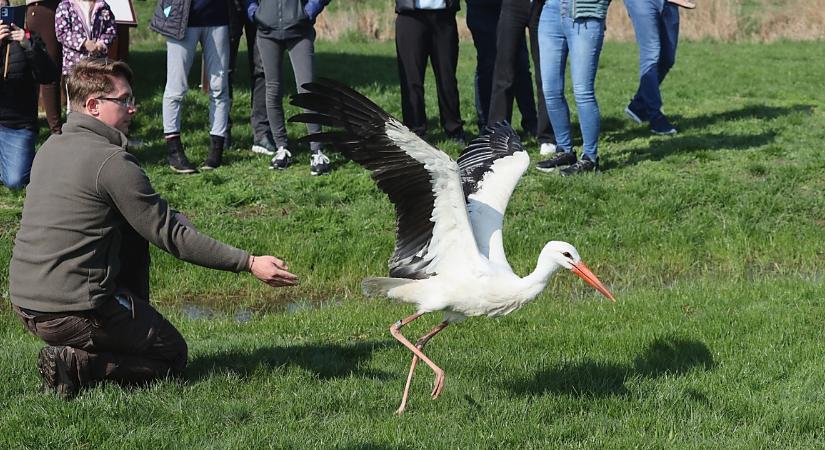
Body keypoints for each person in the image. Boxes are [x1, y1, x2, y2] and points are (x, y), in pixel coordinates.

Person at [8, 58, 299, 399]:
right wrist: (248, 262)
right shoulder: (111, 162)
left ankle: (96, 341)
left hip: (25, 304)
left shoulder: (50, 148)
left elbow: (148, 220)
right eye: (124, 100)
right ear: (93, 106)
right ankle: (79, 365)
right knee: (171, 354)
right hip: (73, 311)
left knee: (131, 238)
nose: (133, 109)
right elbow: (171, 235)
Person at [246, 0, 332, 175]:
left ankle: (316, 151)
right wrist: (254, 12)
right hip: (267, 31)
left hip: (299, 30)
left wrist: (309, 11)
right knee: (272, 89)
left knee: (307, 89)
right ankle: (281, 148)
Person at [150, 0, 231, 173]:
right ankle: (174, 150)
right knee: (176, 88)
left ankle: (217, 148)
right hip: (182, 19)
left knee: (219, 87)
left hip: (218, 19)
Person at [535, 0, 609, 175]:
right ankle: (565, 151)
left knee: (583, 91)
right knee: (550, 90)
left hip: (586, 14)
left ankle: (590, 158)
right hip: (551, 12)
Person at [487, 0, 556, 155]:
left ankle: (547, 136)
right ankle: (498, 135)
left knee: (545, 74)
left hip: (544, 6)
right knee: (504, 73)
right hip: (513, 5)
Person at [0, 12, 59, 190]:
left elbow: (49, 76)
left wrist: (28, 46)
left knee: (15, 181)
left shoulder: (29, 38)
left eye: (4, 9)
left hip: (17, 126)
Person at [394, 0, 466, 144]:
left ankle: (454, 129)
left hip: (444, 17)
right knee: (411, 79)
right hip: (410, 16)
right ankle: (415, 131)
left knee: (447, 78)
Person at [465, 0, 538, 137]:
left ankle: (531, 123)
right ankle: (488, 125)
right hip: (482, 7)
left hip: (512, 6)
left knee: (520, 64)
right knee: (488, 65)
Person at [623, 0, 680, 135]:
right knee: (651, 55)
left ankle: (637, 105)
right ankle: (655, 116)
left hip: (670, 3)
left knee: (667, 58)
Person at [227, 0, 274, 155]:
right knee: (223, 69)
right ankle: (221, 132)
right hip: (228, 5)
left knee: (263, 68)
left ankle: (262, 133)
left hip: (261, 5)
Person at [54, 0, 116, 83]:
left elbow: (110, 30)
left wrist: (101, 44)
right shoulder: (65, 6)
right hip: (74, 66)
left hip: (98, 65)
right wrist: (84, 43)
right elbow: (62, 32)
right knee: (75, 93)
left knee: (97, 93)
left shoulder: (103, 6)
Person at [26, 0, 64, 134]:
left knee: (53, 71)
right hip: (43, 9)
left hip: (68, 8)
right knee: (46, 69)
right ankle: (56, 130)